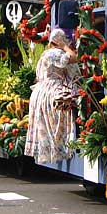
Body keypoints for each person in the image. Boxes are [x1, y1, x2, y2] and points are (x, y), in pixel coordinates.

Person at [24, 28, 79, 164]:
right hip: (52, 89)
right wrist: (64, 46)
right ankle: (60, 150)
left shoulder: (45, 53)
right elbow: (74, 58)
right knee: (55, 122)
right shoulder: (55, 53)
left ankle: (49, 152)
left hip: (41, 91)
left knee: (44, 125)